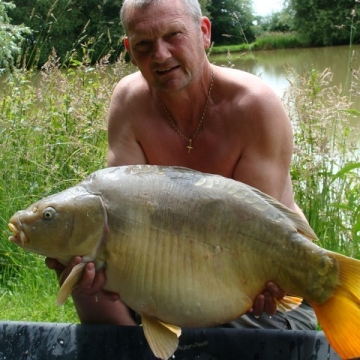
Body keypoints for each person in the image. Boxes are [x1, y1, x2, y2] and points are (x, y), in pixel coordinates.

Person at [46, 0, 317, 330]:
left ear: (204, 32)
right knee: (85, 276)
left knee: (222, 326)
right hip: (168, 272)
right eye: (144, 44)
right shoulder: (129, 103)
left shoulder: (254, 105)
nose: (160, 55)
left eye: (173, 35)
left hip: (255, 274)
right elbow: (121, 219)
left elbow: (255, 234)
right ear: (130, 49)